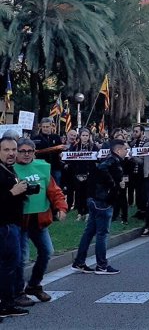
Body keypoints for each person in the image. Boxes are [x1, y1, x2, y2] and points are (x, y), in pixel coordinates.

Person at [13, 139, 67, 306]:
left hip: (40, 220)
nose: (26, 154)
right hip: (19, 221)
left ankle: (34, 285)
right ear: (16, 152)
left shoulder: (42, 167)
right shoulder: (9, 169)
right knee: (21, 258)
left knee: (47, 252)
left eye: (30, 151)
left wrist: (61, 207)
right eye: (22, 151)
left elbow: (54, 190)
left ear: (35, 152)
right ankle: (18, 292)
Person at [71, 139, 127, 275]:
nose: (127, 152)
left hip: (96, 199)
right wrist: (114, 184)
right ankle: (101, 265)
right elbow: (102, 169)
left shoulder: (111, 160)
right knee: (102, 233)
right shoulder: (112, 161)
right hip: (102, 201)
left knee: (89, 231)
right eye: (125, 149)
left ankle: (79, 261)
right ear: (118, 150)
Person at [0, 136, 30, 318]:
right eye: (6, 150)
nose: (11, 153)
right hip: (4, 226)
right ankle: (5, 304)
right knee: (8, 265)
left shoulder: (9, 169)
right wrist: (12, 192)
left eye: (14, 150)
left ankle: (7, 302)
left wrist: (24, 191)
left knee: (11, 265)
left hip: (13, 224)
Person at [68, 128, 98, 222]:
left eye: (86, 135)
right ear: (80, 136)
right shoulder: (75, 146)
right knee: (79, 194)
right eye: (83, 135)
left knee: (89, 194)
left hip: (90, 174)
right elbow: (69, 158)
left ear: (89, 136)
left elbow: (98, 158)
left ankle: (88, 213)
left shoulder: (93, 146)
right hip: (78, 174)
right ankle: (80, 213)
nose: (85, 137)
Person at [32, 118, 64, 187]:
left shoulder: (56, 137)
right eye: (43, 127)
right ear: (40, 127)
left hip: (55, 167)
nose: (45, 129)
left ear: (51, 127)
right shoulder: (35, 139)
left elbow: (61, 150)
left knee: (56, 187)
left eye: (47, 127)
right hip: (41, 168)